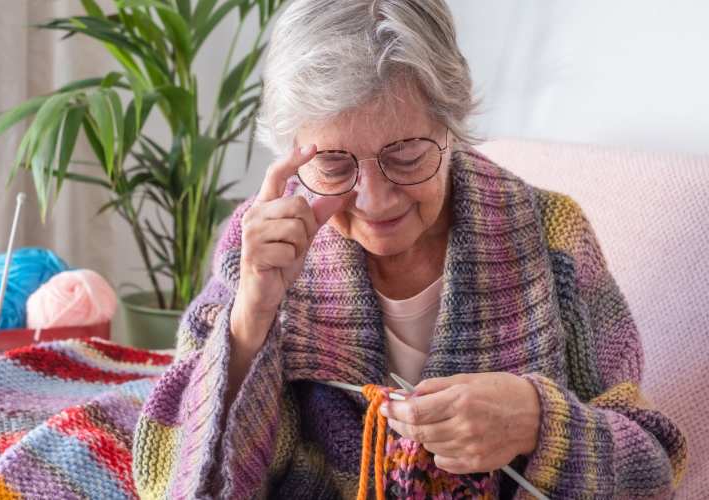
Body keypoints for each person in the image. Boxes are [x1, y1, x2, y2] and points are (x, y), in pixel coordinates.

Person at [132, 1, 686, 498]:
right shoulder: (259, 245)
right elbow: (176, 478)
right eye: (334, 164)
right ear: (294, 154)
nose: (373, 200)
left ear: (452, 126)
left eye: (405, 155)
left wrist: (536, 423)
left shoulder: (553, 238)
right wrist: (251, 317)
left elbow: (653, 461)